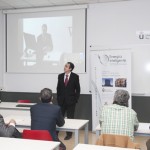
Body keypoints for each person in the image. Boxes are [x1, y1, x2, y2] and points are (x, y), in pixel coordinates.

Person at [57, 62, 80, 140]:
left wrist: (75, 99)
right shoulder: (60, 76)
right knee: (59, 117)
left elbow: (78, 89)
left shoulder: (75, 76)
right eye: (65, 66)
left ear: (70, 68)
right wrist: (58, 98)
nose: (64, 67)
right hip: (61, 101)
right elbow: (58, 88)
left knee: (70, 118)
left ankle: (69, 134)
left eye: (66, 66)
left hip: (71, 101)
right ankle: (56, 133)